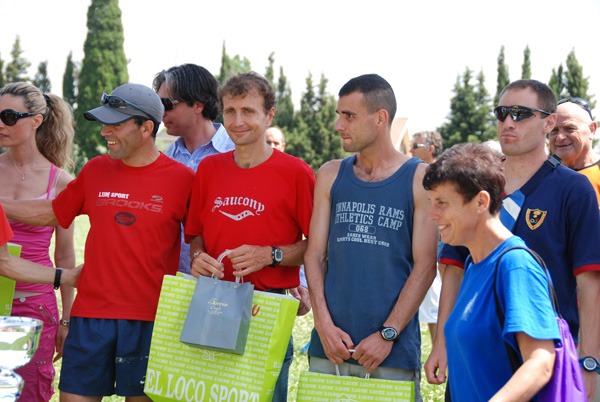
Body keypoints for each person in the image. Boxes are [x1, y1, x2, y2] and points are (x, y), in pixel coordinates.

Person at [0, 83, 195, 402]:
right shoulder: (95, 171)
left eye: (115, 124)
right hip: (90, 318)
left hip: (151, 321)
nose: (105, 131)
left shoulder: (184, 180)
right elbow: (52, 212)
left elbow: (203, 242)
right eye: (104, 123)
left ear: (146, 128)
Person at [425, 79, 600, 401]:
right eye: (502, 112)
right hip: (474, 347)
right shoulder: (476, 179)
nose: (508, 122)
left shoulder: (574, 189)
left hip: (538, 351)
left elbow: (589, 283)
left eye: (520, 114)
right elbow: (453, 268)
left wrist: (588, 361)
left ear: (549, 122)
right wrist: (442, 344)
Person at [304, 74, 438, 402]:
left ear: (380, 118)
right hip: (331, 347)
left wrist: (388, 333)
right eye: (339, 114)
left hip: (390, 351)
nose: (338, 125)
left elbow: (425, 266)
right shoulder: (330, 173)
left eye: (349, 116)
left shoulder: (419, 177)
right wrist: (322, 324)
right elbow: (313, 254)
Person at [186, 72, 315, 402]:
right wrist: (199, 258)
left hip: (267, 308)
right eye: (230, 111)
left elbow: (317, 246)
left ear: (269, 114)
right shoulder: (209, 170)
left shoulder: (297, 173)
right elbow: (195, 235)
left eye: (248, 111)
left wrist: (269, 255)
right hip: (213, 303)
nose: (237, 121)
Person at [424, 142, 559, 401]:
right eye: (431, 202)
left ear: (481, 201)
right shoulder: (474, 265)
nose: (432, 214)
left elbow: (540, 363)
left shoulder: (515, 265)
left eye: (441, 202)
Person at [0, 82, 75, 401]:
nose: (1, 124)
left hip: (33, 305)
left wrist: (67, 319)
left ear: (36, 120)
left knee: (28, 392)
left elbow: (66, 255)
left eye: (8, 115)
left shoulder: (60, 182)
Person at [153, 64, 234, 273]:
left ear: (198, 105)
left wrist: (301, 280)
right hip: (171, 284)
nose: (161, 112)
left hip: (224, 283)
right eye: (157, 104)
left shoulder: (237, 154)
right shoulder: (164, 158)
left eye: (167, 103)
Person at [410, 130, 444, 342]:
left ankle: (440, 350)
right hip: (415, 243)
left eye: (416, 145)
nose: (411, 149)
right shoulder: (410, 173)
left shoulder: (442, 174)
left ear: (431, 149)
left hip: (438, 244)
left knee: (435, 304)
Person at [0, 204, 80, 287]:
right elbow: (3, 263)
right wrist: (68, 276)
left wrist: (68, 276)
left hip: (38, 291)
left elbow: (3, 262)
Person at [549, 97, 600, 203]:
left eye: (570, 128)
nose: (560, 137)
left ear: (592, 130)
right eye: (554, 130)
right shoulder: (542, 176)